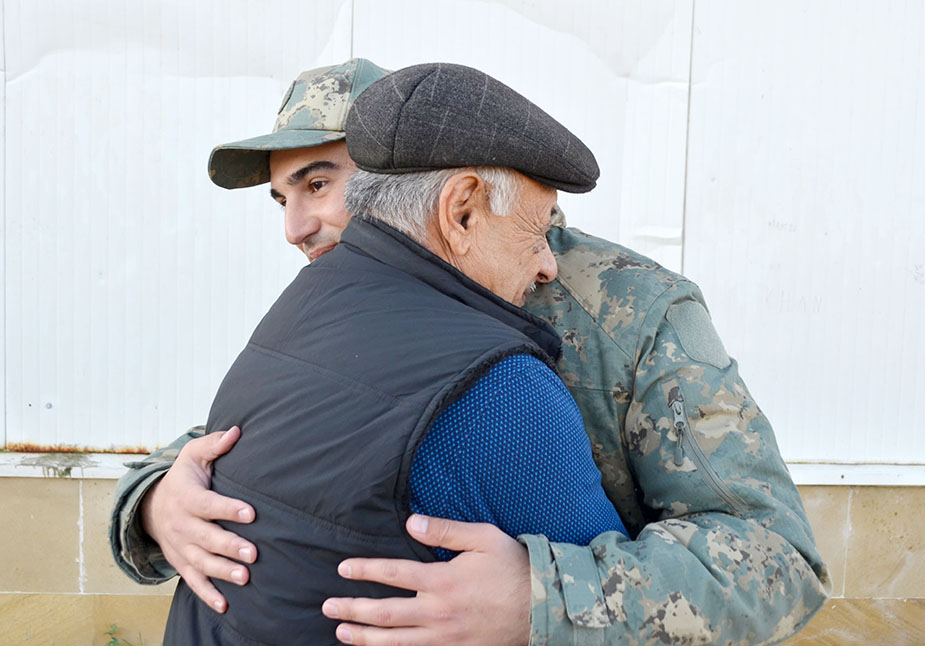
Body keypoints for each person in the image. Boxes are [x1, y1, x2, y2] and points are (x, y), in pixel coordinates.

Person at [110, 59, 831, 645]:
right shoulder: (349, 293)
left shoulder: (634, 314)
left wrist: (549, 601)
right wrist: (156, 502)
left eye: (324, 183)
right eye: (282, 198)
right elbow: (261, 448)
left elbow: (778, 560)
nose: (297, 227)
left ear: (425, 178)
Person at [161, 61, 628, 645]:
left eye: (319, 184)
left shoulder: (298, 308)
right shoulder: (502, 388)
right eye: (537, 233)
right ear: (461, 211)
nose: (547, 264)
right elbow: (612, 616)